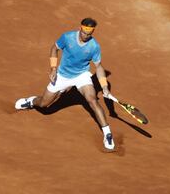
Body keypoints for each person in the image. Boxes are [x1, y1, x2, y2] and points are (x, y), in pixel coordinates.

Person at [15, 17, 115, 151]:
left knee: (92, 100)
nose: (86, 36)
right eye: (84, 33)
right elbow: (54, 49)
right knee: (44, 105)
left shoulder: (94, 46)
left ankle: (107, 133)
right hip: (62, 75)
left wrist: (104, 87)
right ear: (80, 28)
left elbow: (99, 67)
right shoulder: (67, 37)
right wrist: (53, 69)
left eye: (89, 34)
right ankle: (32, 101)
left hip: (81, 75)